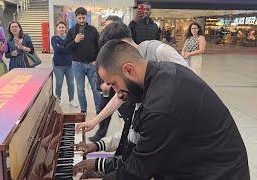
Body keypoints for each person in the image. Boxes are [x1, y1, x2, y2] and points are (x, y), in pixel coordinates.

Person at [74, 39, 250, 180]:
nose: (116, 92)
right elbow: (139, 150)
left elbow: (138, 171)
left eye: (114, 84)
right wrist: (99, 164)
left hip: (216, 173)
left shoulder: (161, 104)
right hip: (199, 163)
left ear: (129, 69)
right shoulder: (159, 73)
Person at [76, 22, 188, 134]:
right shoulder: (130, 61)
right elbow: (120, 96)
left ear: (120, 46)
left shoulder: (160, 51)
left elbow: (190, 81)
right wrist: (95, 121)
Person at [90, 16, 123, 142]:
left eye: (110, 26)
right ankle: (100, 133)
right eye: (106, 26)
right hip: (106, 85)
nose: (107, 29)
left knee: (125, 112)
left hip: (119, 85)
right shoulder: (104, 42)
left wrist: (109, 82)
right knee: (103, 108)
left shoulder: (122, 46)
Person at [65, 7, 100, 114]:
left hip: (92, 64)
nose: (81, 20)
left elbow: (98, 46)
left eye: (83, 18)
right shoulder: (71, 31)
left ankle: (99, 110)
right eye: (79, 18)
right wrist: (75, 41)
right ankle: (83, 110)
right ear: (76, 18)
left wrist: (97, 60)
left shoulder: (93, 30)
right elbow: (67, 48)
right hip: (77, 65)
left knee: (96, 89)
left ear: (86, 17)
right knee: (80, 89)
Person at [51, 21, 77, 107]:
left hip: (69, 65)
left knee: (71, 83)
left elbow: (71, 48)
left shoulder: (70, 38)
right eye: (59, 27)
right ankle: (58, 100)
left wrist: (62, 47)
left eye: (63, 27)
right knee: (59, 83)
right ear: (57, 29)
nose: (61, 29)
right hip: (58, 65)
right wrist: (66, 47)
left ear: (65, 28)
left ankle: (71, 100)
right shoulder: (54, 38)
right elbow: (56, 49)